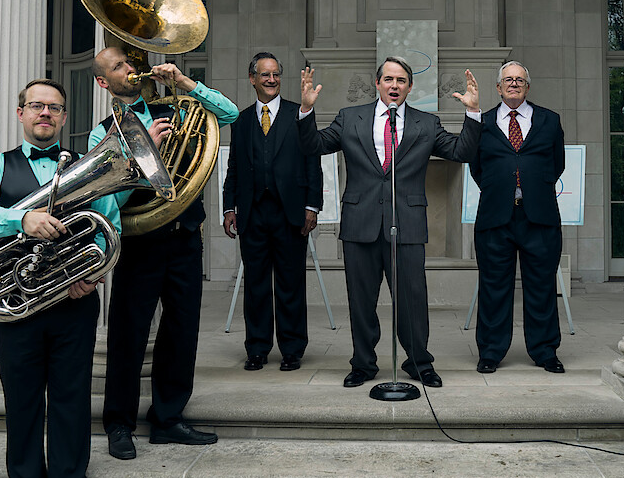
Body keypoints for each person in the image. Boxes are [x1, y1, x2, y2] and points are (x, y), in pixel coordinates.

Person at [0, 78, 118, 478]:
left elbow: (109, 226)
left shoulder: (90, 166)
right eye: (37, 106)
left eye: (55, 108)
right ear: (21, 113)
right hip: (17, 307)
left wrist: (90, 273)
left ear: (64, 117)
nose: (46, 114)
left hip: (73, 303)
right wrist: (18, 218)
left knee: (72, 399)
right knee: (21, 402)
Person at [91, 45, 239, 460]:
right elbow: (102, 196)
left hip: (184, 237)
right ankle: (119, 423)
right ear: (104, 82)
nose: (129, 69)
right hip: (139, 242)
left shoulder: (174, 106)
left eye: (129, 62)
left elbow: (229, 115)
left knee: (181, 332)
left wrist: (185, 83)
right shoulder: (104, 129)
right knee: (128, 334)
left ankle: (168, 419)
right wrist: (141, 157)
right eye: (118, 67)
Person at [298, 57, 480, 389]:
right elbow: (314, 146)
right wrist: (307, 112)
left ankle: (419, 363)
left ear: (410, 87)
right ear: (378, 83)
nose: (394, 85)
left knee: (412, 299)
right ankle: (363, 364)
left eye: (401, 80)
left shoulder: (426, 123)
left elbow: (461, 152)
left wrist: (473, 113)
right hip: (360, 222)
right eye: (388, 79)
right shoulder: (349, 118)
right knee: (361, 299)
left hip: (407, 224)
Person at [222, 52, 323, 371]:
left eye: (276, 74)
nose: (271, 79)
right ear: (252, 78)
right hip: (252, 214)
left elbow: (313, 161)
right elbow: (234, 167)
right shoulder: (240, 120)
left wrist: (312, 205)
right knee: (256, 285)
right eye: (265, 74)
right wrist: (229, 207)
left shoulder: (300, 114)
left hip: (291, 214)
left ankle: (292, 349)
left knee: (291, 283)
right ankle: (257, 348)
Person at [470, 61, 565, 374]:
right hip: (495, 217)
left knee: (541, 287)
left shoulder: (549, 120)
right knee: (494, 287)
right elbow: (477, 168)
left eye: (519, 80)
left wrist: (532, 186)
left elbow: (557, 165)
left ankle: (544, 351)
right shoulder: (482, 123)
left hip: (539, 216)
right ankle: (491, 352)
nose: (513, 84)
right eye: (507, 80)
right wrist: (504, 188)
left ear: (528, 86)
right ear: (498, 88)